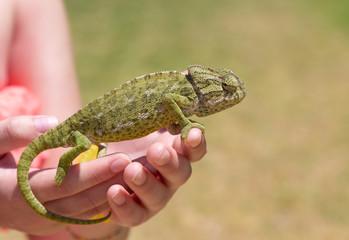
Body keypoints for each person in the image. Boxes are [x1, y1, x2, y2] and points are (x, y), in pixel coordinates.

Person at [0, 0, 207, 239]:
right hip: (83, 132)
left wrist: (101, 219)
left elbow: (57, 212)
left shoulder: (34, 6)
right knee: (82, 143)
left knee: (86, 144)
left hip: (91, 133)